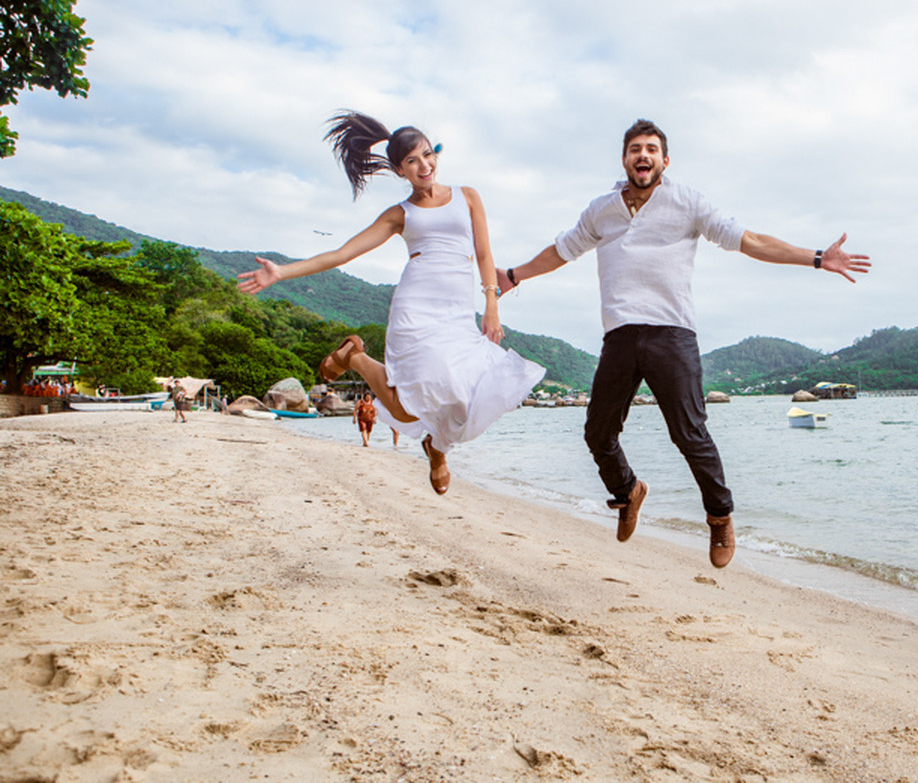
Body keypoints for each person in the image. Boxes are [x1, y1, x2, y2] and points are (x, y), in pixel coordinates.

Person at [497, 119, 870, 568]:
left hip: (672, 333)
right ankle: (627, 491)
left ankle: (719, 517)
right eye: (636, 148)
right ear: (624, 160)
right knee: (597, 431)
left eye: (652, 149)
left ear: (664, 160)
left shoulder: (687, 202)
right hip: (619, 334)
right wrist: (514, 275)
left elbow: (748, 241)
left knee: (689, 433)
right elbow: (561, 250)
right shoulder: (601, 210)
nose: (643, 155)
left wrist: (814, 258)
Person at [238, 111, 544, 494]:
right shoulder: (401, 214)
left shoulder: (468, 197)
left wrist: (492, 304)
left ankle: (436, 446)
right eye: (412, 161)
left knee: (467, 394)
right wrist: (281, 272)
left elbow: (484, 254)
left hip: (457, 312)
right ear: (400, 170)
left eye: (427, 155)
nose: (424, 165)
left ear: (435, 154)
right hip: (415, 309)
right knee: (403, 408)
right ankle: (355, 358)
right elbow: (342, 253)